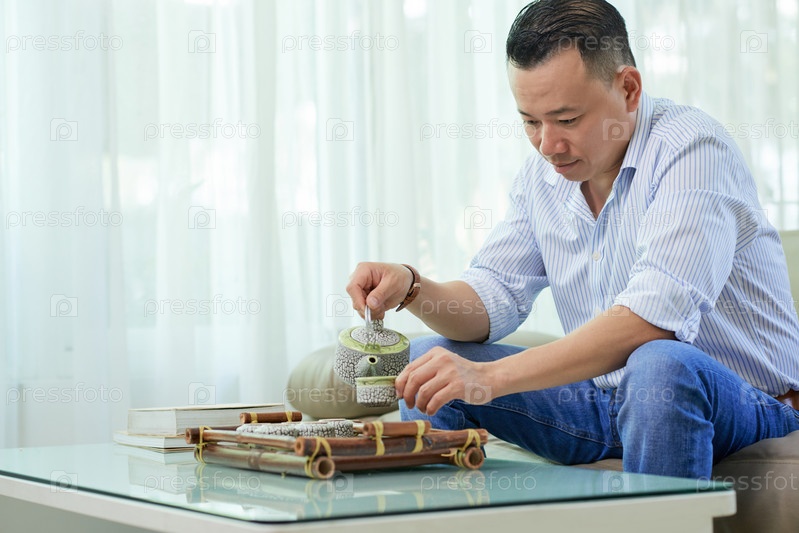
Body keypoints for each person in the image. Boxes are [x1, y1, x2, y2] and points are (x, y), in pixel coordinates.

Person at [345, 0, 799, 480]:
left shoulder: (692, 148)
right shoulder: (542, 179)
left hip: (743, 401)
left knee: (660, 365)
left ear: (628, 89)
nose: (548, 146)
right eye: (530, 121)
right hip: (603, 401)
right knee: (429, 361)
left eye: (567, 120)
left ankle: (657, 514)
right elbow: (491, 295)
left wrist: (489, 378)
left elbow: (652, 321)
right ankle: (440, 516)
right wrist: (413, 286)